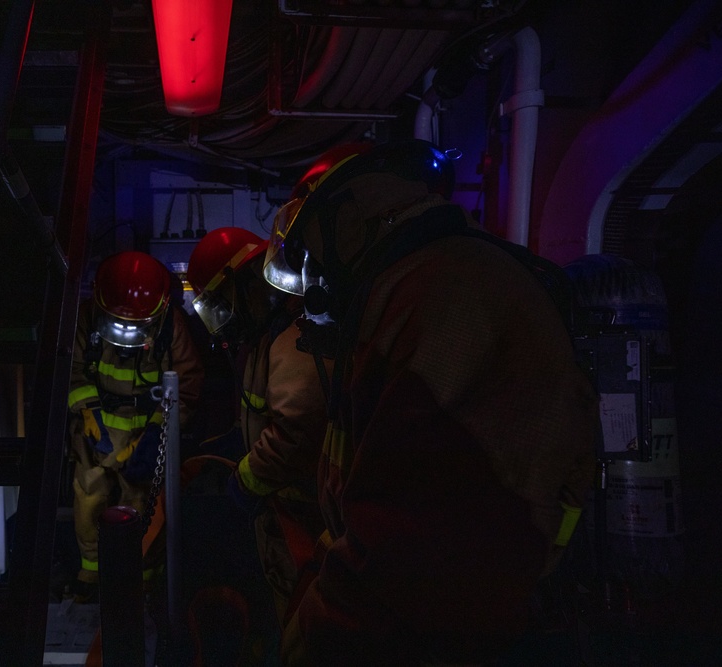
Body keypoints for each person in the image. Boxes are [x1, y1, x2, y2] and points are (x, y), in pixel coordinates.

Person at [262, 140, 598, 665]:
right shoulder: (416, 283)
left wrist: (319, 631)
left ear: (347, 214)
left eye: (313, 255)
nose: (315, 281)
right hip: (464, 610)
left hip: (450, 629)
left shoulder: (436, 295)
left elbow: (407, 542)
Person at [187, 227, 328, 625]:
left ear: (244, 283)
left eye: (221, 304)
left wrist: (245, 480)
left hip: (302, 517)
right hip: (284, 516)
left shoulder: (295, 338)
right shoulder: (269, 336)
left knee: (301, 619)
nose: (224, 318)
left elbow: (294, 434)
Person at [66, 250, 204, 602]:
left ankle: (143, 582)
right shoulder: (85, 319)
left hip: (146, 434)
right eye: (117, 322)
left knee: (146, 506)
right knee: (90, 498)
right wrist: (87, 413)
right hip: (95, 432)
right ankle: (92, 577)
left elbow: (186, 384)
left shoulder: (171, 325)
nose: (126, 330)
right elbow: (72, 368)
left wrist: (159, 430)